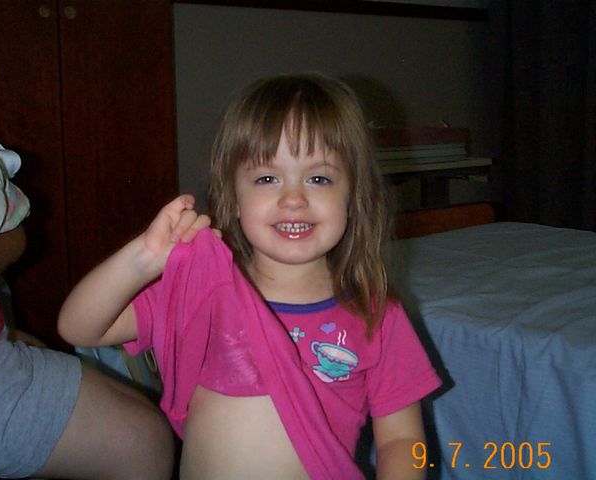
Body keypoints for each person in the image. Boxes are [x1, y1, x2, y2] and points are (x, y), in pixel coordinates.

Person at [58, 73, 442, 479]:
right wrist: (144, 257)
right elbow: (79, 328)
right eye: (266, 178)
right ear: (234, 199)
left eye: (319, 178)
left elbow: (403, 440)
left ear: (353, 197)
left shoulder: (375, 314)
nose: (293, 198)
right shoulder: (203, 290)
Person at [0, 137, 174, 479]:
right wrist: (143, 258)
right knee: (143, 441)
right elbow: (78, 328)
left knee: (144, 433)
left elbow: (14, 235)